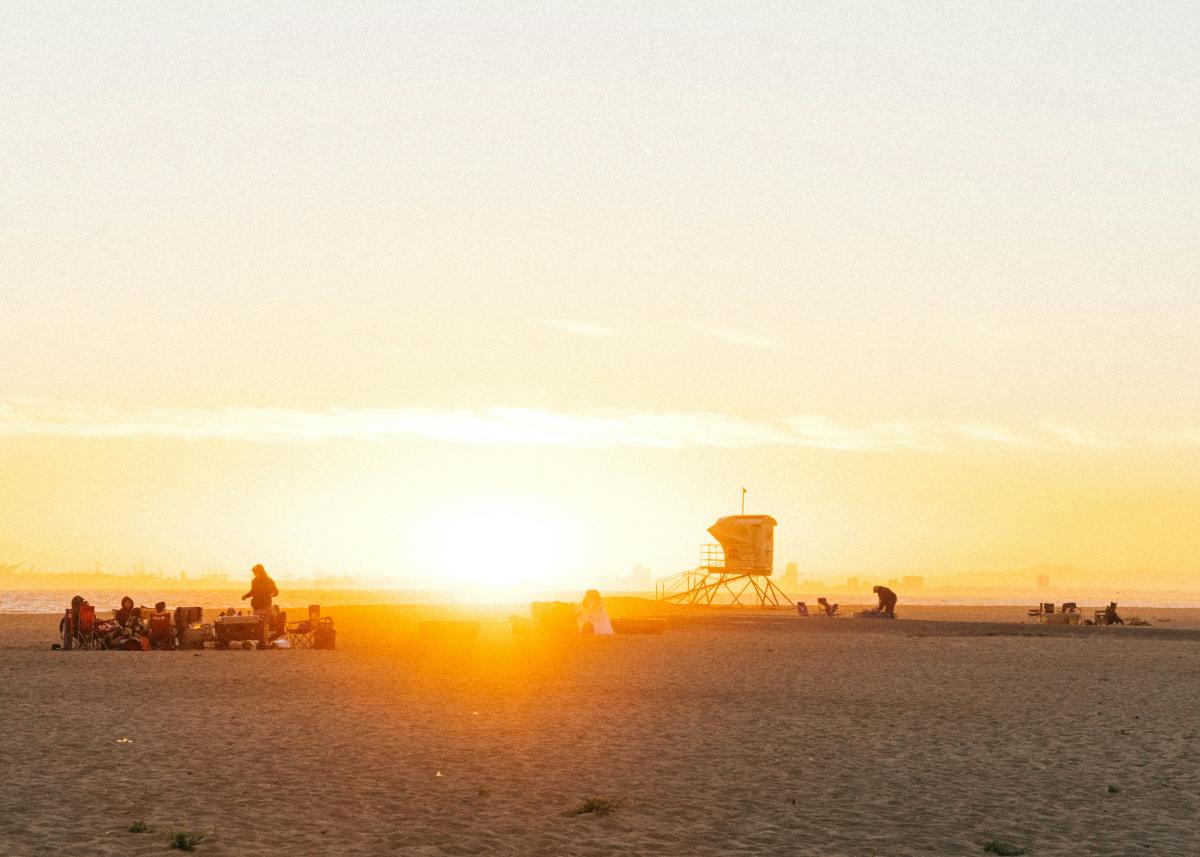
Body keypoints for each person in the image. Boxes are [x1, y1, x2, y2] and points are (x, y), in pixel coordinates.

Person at [242, 564, 279, 641]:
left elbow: (276, 591)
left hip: (266, 606)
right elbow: (253, 591)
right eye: (254, 573)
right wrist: (246, 596)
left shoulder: (268, 580)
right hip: (256, 606)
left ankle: (265, 640)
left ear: (261, 572)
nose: (255, 574)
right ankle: (259, 640)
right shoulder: (254, 581)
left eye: (256, 572)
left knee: (265, 624)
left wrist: (271, 595)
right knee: (256, 624)